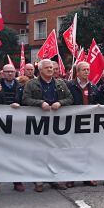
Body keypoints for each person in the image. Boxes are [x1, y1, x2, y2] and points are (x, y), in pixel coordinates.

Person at [22, 59, 74, 192]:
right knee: (39, 151)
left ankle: (55, 178)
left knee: (55, 150)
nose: (50, 69)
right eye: (47, 68)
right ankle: (39, 180)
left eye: (51, 67)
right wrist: (40, 103)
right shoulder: (31, 84)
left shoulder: (61, 83)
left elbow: (70, 98)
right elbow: (25, 99)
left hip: (57, 123)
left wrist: (60, 103)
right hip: (39, 123)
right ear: (40, 70)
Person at [0, 64, 26, 193]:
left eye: (12, 72)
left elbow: (25, 103)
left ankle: (17, 181)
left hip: (15, 125)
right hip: (0, 125)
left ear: (15, 73)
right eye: (7, 72)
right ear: (2, 73)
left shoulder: (21, 87)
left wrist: (19, 105)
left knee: (16, 155)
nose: (10, 74)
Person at [66, 61, 99, 187]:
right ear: (77, 72)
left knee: (88, 151)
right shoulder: (69, 85)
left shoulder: (94, 87)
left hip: (89, 123)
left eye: (88, 70)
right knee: (73, 150)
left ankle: (87, 176)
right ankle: (71, 177)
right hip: (73, 123)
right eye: (84, 70)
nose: (87, 72)